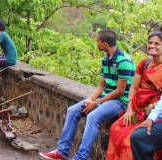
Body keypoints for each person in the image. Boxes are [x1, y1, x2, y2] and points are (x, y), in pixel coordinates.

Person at [39, 29, 136, 160]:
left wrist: (96, 104)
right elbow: (102, 85)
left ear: (104, 43)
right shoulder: (105, 59)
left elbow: (120, 91)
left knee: (93, 117)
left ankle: (81, 157)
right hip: (105, 97)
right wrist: (91, 99)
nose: (96, 44)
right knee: (73, 111)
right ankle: (62, 151)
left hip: (120, 101)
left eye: (97, 41)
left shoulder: (123, 61)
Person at [107, 32, 162, 160]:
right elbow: (134, 87)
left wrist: (153, 107)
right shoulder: (144, 64)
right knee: (115, 128)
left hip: (153, 111)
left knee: (130, 137)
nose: (152, 46)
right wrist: (130, 109)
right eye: (150, 43)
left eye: (157, 43)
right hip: (137, 107)